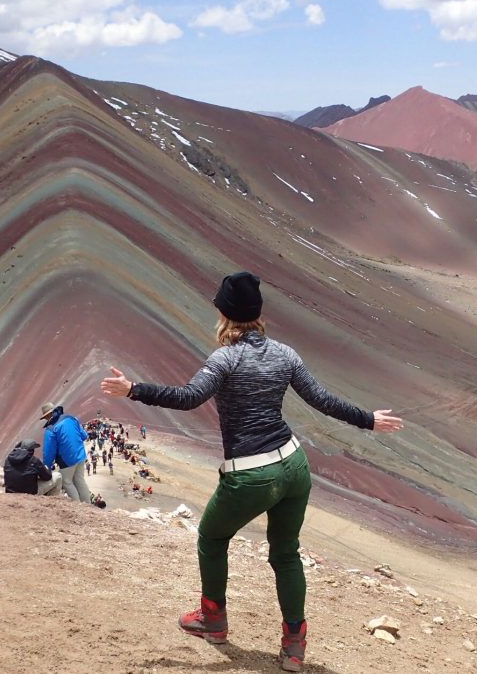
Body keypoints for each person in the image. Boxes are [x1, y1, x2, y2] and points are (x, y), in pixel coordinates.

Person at [102, 270, 403, 672]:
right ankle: (294, 647)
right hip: (294, 465)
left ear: (224, 314)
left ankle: (213, 618)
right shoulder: (285, 354)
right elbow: (323, 400)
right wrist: (369, 419)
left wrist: (133, 389)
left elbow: (190, 398)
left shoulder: (225, 358)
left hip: (251, 472)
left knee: (211, 535)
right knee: (285, 553)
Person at [39, 402, 92, 503]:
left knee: (67, 482)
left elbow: (48, 452)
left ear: (48, 414)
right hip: (80, 455)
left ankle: (77, 505)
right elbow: (84, 435)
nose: (46, 419)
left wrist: (47, 467)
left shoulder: (51, 429)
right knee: (79, 480)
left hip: (66, 460)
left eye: (45, 417)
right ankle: (87, 504)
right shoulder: (72, 418)